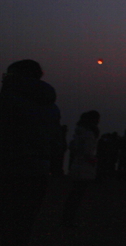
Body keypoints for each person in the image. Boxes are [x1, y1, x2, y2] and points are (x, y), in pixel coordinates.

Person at [0, 59, 62, 245]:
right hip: (38, 171)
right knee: (23, 225)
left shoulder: (7, 100)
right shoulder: (52, 108)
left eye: (7, 75)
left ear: (16, 77)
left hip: (8, 169)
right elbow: (56, 142)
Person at [63, 110, 100, 228]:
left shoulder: (78, 133)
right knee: (77, 195)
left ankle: (67, 218)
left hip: (77, 165)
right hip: (84, 168)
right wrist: (94, 161)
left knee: (74, 194)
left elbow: (73, 147)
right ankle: (69, 220)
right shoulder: (89, 134)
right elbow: (88, 152)